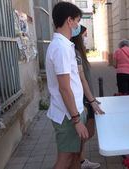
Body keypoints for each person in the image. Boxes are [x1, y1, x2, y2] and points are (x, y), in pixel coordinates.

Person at [46, 2, 89, 169]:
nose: (78, 25)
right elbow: (64, 87)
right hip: (67, 115)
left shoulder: (64, 45)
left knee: (75, 155)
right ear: (69, 20)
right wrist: (76, 120)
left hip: (72, 111)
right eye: (77, 21)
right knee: (65, 158)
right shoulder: (61, 47)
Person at [71, 25, 104, 169]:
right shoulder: (75, 52)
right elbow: (81, 80)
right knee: (87, 132)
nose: (85, 38)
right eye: (84, 35)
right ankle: (77, 159)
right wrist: (91, 100)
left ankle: (81, 160)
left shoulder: (79, 53)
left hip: (87, 97)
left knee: (87, 133)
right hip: (84, 99)